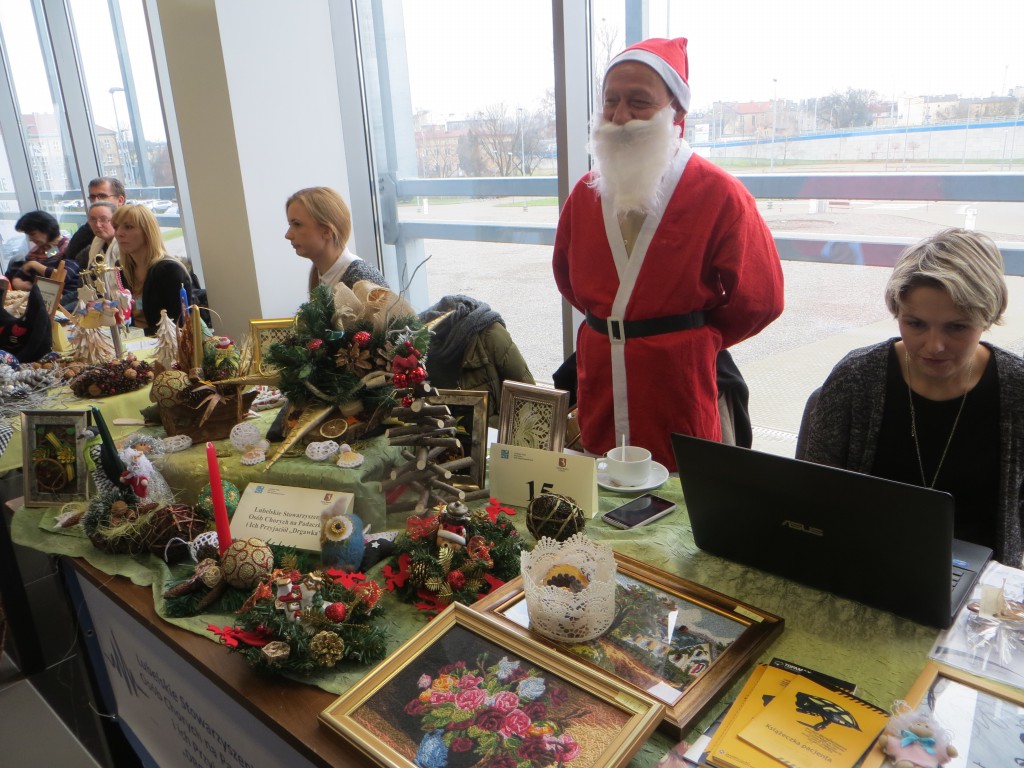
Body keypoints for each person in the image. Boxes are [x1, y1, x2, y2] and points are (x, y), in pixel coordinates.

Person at [552, 38, 784, 471]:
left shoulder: (720, 194)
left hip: (676, 384)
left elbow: (761, 299)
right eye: (611, 101)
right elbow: (567, 278)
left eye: (639, 102)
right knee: (600, 484)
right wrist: (616, 322)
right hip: (600, 379)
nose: (620, 116)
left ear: (677, 112)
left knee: (681, 488)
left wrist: (691, 337)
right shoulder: (585, 194)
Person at [804, 229, 1024, 566]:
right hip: (864, 559)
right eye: (916, 324)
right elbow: (814, 492)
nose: (934, 346)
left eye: (957, 327)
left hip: (980, 578)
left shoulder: (1017, 389)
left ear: (987, 318)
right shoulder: (857, 378)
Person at [419, 295, 535, 427]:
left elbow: (528, 397)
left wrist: (502, 431)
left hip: (492, 433)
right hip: (441, 433)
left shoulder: (490, 334)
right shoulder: (418, 347)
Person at [285, 186, 389, 293]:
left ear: (327, 231)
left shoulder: (362, 281)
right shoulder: (318, 274)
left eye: (297, 224)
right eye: (290, 225)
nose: (288, 235)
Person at [113, 203, 192, 333]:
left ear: (147, 232)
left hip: (163, 342)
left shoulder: (169, 270)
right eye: (116, 227)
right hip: (133, 340)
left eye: (128, 227)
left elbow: (178, 327)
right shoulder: (122, 268)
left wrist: (135, 335)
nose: (119, 233)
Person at [6, 209, 80, 308]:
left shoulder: (69, 248)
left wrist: (34, 265)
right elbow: (19, 277)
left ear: (47, 230)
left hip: (66, 303)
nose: (30, 239)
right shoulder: (39, 251)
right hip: (42, 301)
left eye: (33, 234)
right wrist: (22, 283)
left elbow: (62, 277)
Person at [66, 177, 127, 262]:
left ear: (120, 200)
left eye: (102, 196)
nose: (96, 201)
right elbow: (70, 257)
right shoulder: (89, 229)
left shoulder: (132, 232)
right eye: (92, 197)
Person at [75, 201, 120, 270]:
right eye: (93, 219)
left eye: (103, 219)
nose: (97, 225)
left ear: (116, 221)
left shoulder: (125, 246)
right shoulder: (96, 242)